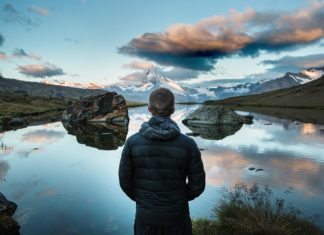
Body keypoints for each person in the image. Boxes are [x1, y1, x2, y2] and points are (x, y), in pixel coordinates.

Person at [119, 88, 205, 235]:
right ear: (173, 109)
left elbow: (125, 181)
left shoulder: (132, 143)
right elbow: (198, 185)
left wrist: (143, 200)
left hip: (145, 218)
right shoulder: (188, 144)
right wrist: (180, 199)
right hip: (178, 217)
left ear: (149, 109)